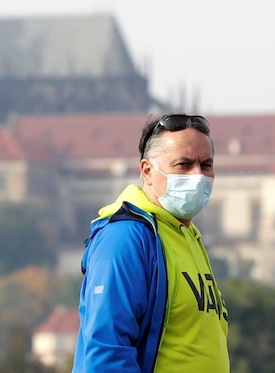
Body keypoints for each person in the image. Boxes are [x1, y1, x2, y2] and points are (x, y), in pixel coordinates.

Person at [72, 113, 229, 372]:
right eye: (184, 164)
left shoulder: (188, 236)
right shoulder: (126, 238)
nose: (198, 175)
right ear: (147, 171)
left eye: (206, 165)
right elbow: (106, 352)